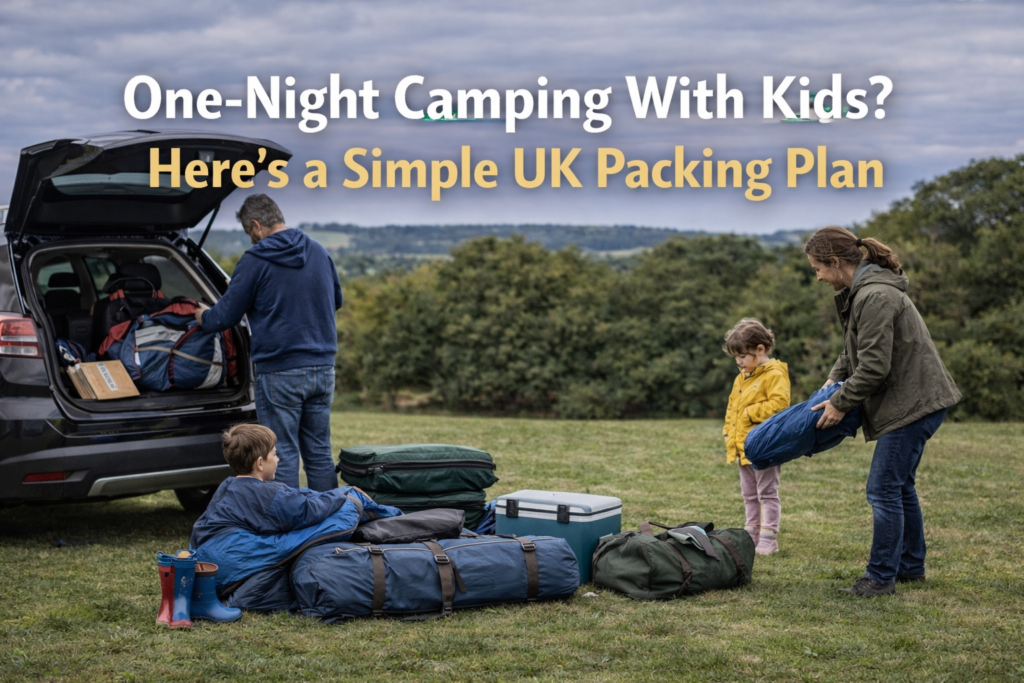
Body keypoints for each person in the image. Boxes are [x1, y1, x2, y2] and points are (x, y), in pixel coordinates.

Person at [805, 226, 961, 598]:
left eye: (818, 269)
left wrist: (840, 404)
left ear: (837, 262)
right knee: (900, 486)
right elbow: (855, 349)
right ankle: (910, 567)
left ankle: (879, 578)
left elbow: (874, 367)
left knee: (883, 489)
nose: (819, 277)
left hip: (914, 404)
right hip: (918, 400)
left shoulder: (873, 296)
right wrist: (834, 379)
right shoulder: (863, 292)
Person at [196, 195, 343, 491]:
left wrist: (203, 316)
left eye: (249, 232)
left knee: (282, 455)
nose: (251, 239)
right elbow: (336, 300)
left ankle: (287, 525)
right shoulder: (318, 250)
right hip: (323, 368)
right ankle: (331, 523)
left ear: (256, 225)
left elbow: (225, 316)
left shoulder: (256, 259)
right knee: (319, 452)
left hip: (280, 371)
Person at [722, 318, 791, 555]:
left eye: (742, 355)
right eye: (736, 357)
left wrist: (750, 412)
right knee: (749, 494)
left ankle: (768, 539)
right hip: (742, 446)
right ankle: (751, 535)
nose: (739, 361)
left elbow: (780, 405)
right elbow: (732, 408)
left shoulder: (774, 374)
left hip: (764, 446)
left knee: (767, 494)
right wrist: (727, 432)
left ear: (760, 350)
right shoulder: (741, 377)